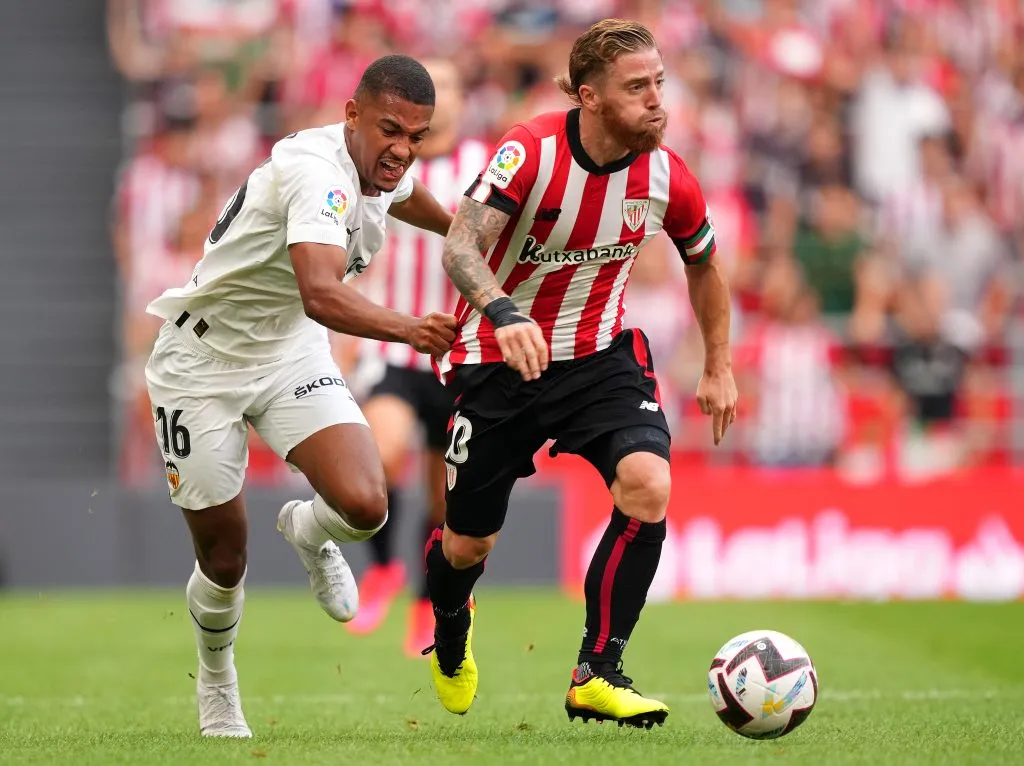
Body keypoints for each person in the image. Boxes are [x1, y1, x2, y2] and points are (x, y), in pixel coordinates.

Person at [421, 19, 738, 729]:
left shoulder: (665, 174)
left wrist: (718, 365)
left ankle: (598, 670)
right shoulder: (527, 152)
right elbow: (460, 245)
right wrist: (504, 311)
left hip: (599, 359)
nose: (657, 100)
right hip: (500, 364)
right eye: (637, 87)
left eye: (659, 82)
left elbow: (705, 266)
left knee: (649, 485)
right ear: (589, 98)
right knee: (468, 543)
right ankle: (449, 620)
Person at [144, 54, 456, 738]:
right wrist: (411, 329)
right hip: (203, 362)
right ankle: (219, 682)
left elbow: (412, 202)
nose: (403, 150)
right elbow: (319, 291)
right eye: (390, 130)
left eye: (417, 136)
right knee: (224, 558)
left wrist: (463, 231)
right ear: (351, 115)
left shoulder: (378, 167)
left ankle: (309, 532)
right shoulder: (317, 175)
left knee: (366, 502)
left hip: (286, 351)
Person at [348, 59, 490, 656]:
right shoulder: (380, 165)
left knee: (444, 502)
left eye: (453, 84)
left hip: (459, 360)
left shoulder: (484, 166)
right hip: (395, 346)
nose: (445, 97)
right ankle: (382, 568)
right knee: (379, 460)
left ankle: (425, 603)